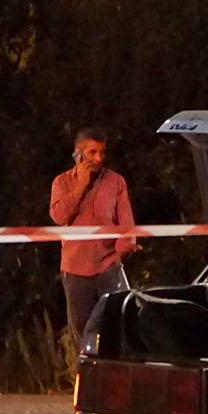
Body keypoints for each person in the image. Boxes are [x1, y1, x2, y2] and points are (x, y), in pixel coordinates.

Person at [49, 126, 137, 347]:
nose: (99, 158)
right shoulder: (61, 183)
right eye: (92, 153)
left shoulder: (116, 181)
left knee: (124, 325)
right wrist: (80, 185)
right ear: (78, 154)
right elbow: (59, 217)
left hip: (108, 266)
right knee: (83, 333)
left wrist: (121, 252)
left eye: (102, 152)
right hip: (76, 270)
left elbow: (126, 223)